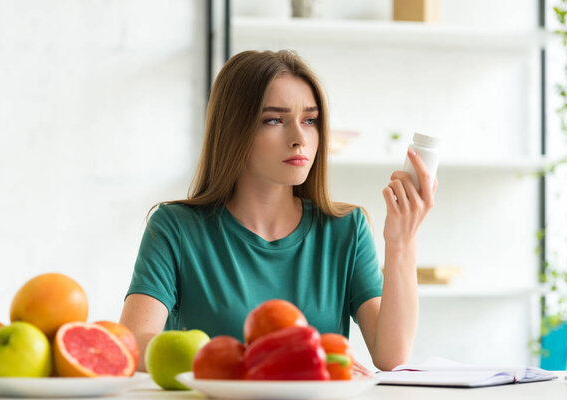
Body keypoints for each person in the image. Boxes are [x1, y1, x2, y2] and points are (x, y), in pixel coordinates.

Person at [119, 49, 437, 373]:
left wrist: (402, 241)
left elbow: (392, 356)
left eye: (310, 120)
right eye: (274, 120)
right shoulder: (175, 228)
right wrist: (275, 360)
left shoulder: (346, 229)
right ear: (234, 129)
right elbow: (132, 343)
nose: (300, 138)